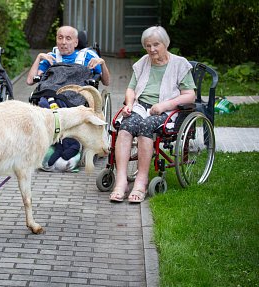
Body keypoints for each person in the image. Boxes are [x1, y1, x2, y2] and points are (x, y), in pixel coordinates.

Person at [109, 26, 196, 203]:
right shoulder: (143, 61)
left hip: (168, 110)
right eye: (148, 46)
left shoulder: (180, 64)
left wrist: (165, 105)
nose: (152, 49)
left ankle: (141, 181)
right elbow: (131, 88)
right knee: (125, 126)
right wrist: (130, 104)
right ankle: (121, 181)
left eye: (156, 44)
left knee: (145, 127)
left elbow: (190, 95)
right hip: (141, 107)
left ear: (166, 43)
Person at [26, 25, 110, 86]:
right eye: (60, 38)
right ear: (56, 40)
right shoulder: (51, 57)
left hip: (79, 97)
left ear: (76, 42)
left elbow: (106, 82)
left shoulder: (88, 55)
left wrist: (102, 63)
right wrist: (38, 58)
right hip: (53, 95)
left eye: (68, 38)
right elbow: (30, 81)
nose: (63, 42)